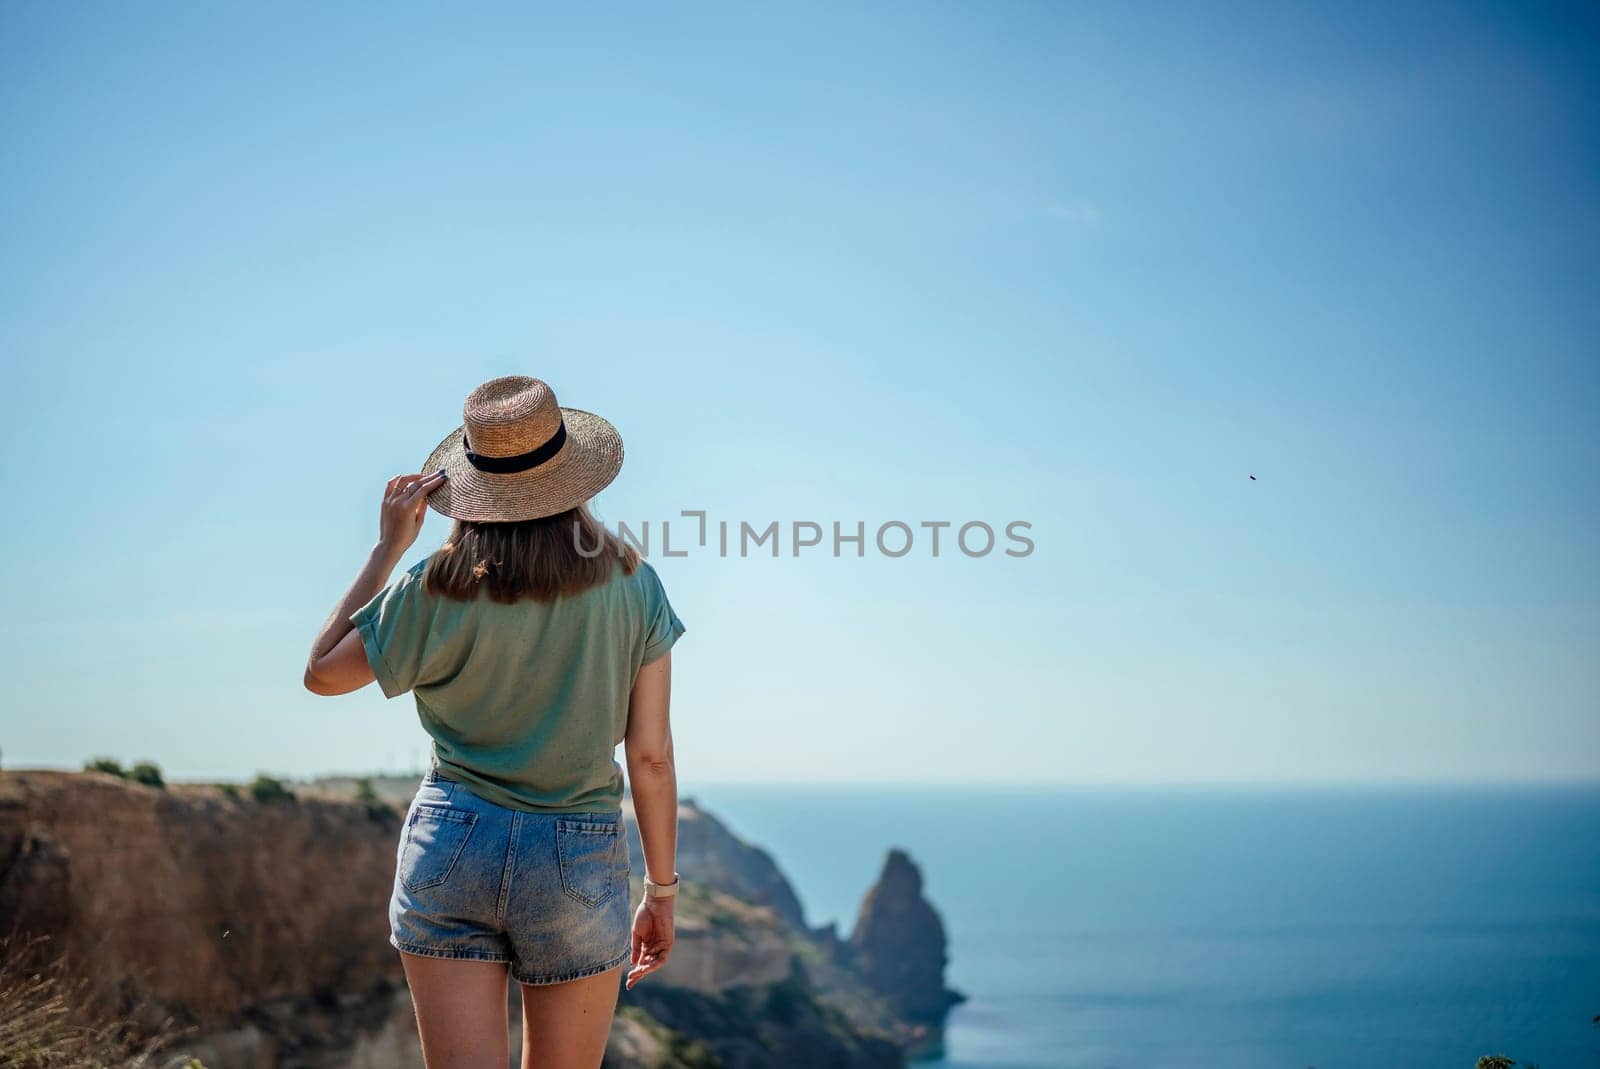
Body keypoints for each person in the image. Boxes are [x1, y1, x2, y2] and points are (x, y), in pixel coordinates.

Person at [302, 375, 686, 1069]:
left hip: (452, 841)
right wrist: (661, 891)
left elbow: (322, 671)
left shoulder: (434, 584)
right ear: (575, 478)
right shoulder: (635, 583)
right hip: (576, 851)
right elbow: (650, 756)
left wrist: (388, 548)